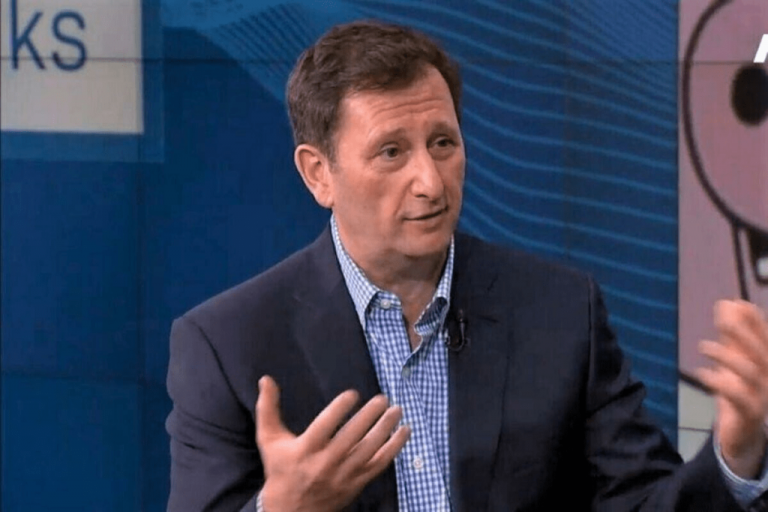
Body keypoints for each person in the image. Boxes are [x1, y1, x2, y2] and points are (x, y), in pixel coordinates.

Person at [165, 20, 768, 511]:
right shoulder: (229, 346)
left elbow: (642, 505)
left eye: (443, 143)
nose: (430, 182)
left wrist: (736, 456)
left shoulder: (559, 314)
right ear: (318, 173)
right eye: (391, 152)